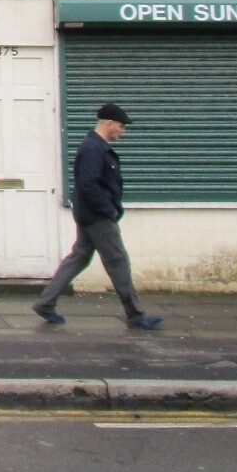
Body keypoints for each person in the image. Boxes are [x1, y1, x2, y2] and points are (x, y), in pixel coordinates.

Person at [33, 102, 162, 330]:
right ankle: (136, 315)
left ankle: (45, 302)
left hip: (89, 214)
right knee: (118, 261)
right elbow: (88, 184)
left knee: (79, 256)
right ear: (109, 124)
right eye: (121, 127)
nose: (123, 131)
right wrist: (108, 210)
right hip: (97, 217)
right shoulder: (93, 148)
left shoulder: (95, 146)